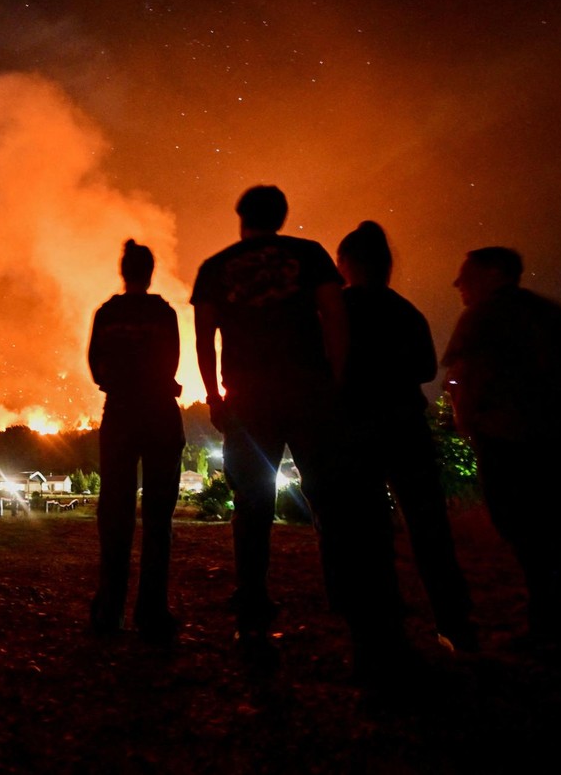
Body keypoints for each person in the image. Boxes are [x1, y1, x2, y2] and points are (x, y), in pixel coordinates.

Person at [191, 186, 406, 673]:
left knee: (251, 505)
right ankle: (360, 618)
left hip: (249, 401)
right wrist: (336, 378)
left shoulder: (215, 267)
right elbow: (334, 316)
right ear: (282, 216)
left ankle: (252, 611)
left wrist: (214, 395)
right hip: (310, 392)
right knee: (333, 499)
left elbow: (204, 337)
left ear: (241, 217)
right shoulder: (308, 255)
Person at [442, 246, 561, 658]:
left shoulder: (481, 317)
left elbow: (465, 379)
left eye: (466, 274)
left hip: (511, 445)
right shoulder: (550, 313)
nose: (458, 284)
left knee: (534, 545)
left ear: (494, 273)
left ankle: (557, 632)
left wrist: (468, 424)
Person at [337, 221, 476, 652]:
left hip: (357, 425)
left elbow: (324, 367)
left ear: (345, 265)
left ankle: (381, 626)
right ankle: (454, 623)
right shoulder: (405, 311)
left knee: (367, 528)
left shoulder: (335, 310)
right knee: (428, 525)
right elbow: (426, 370)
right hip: (405, 424)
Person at [88, 239, 185, 644]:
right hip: (160, 414)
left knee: (116, 514)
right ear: (150, 272)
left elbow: (96, 366)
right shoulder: (164, 313)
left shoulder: (107, 313)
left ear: (124, 272)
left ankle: (109, 611)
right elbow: (172, 361)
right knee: (158, 519)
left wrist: (118, 381)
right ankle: (152, 611)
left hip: (121, 415)